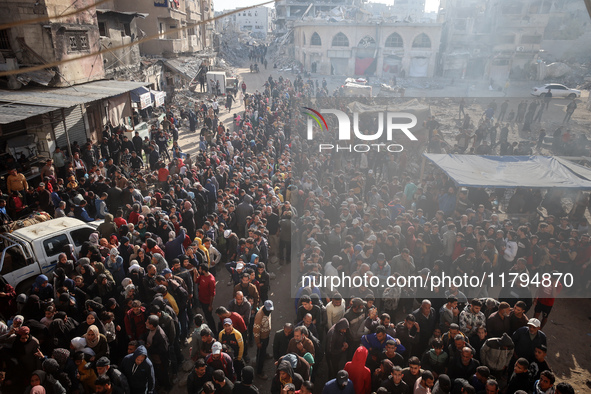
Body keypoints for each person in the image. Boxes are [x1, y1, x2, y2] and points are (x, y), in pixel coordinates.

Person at [253, 300, 273, 379]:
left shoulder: (268, 311)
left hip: (266, 335)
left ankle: (265, 354)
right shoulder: (259, 316)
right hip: (261, 338)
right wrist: (258, 342)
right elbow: (256, 330)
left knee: (264, 350)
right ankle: (259, 371)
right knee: (260, 354)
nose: (270, 311)